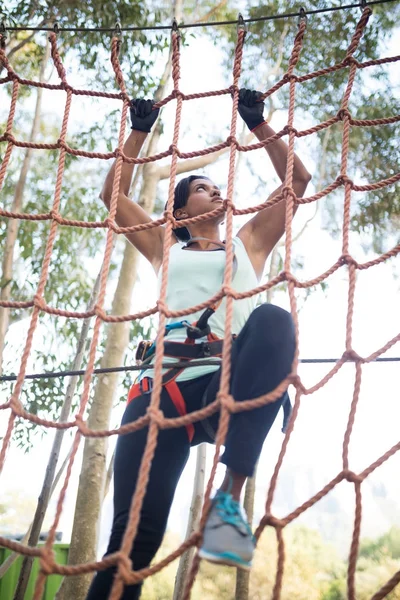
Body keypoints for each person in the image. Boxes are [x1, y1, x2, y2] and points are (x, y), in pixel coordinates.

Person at [86, 89, 311, 599]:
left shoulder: (248, 243)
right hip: (160, 393)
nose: (216, 192)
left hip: (223, 386)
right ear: (182, 207)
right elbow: (112, 195)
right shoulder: (165, 246)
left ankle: (228, 497)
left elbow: (296, 181)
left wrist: (259, 125)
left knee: (275, 322)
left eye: (216, 187)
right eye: (203, 188)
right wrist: (139, 130)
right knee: (132, 543)